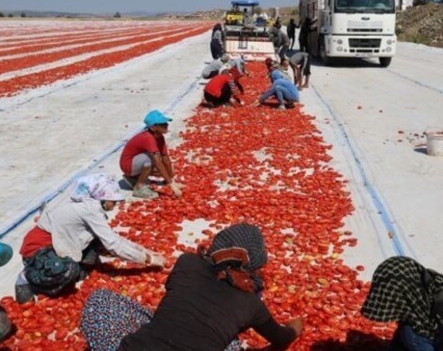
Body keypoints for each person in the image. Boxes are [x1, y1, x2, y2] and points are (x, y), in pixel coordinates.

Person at [80, 223, 303, 350]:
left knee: (100, 299)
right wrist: (295, 328)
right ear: (254, 263)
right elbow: (281, 341)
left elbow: (185, 295)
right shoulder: (251, 303)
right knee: (231, 344)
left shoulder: (187, 262)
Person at [15, 173, 166, 303]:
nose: (115, 205)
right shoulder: (89, 209)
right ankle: (27, 277)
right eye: (113, 201)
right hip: (37, 249)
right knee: (68, 270)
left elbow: (112, 238)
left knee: (93, 252)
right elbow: (113, 244)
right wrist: (148, 259)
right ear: (101, 197)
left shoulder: (86, 200)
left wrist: (144, 250)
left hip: (60, 241)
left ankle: (60, 264)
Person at [120, 110, 183, 199]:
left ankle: (133, 178)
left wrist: (171, 180)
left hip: (136, 163)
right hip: (127, 165)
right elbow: (157, 162)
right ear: (153, 127)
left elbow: (165, 158)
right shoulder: (148, 138)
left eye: (166, 123)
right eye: (162, 124)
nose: (166, 125)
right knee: (151, 159)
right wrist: (171, 186)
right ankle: (139, 188)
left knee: (160, 168)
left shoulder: (160, 137)